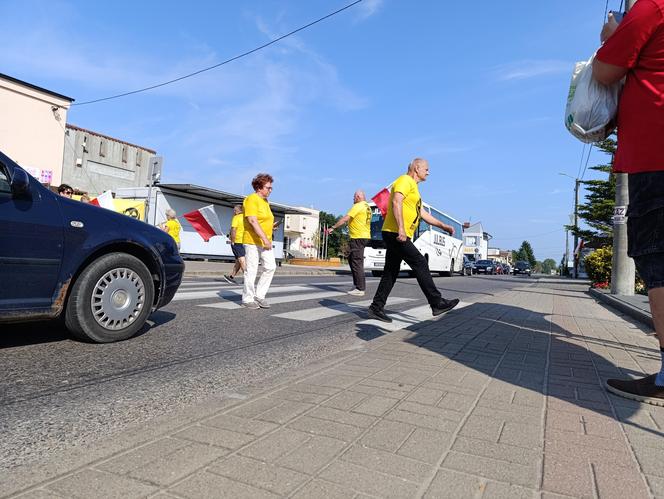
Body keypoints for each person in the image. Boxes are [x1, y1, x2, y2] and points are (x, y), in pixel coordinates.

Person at [593, 3, 664, 405]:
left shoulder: (652, 7)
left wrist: (610, 37)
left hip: (656, 156)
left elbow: (605, 70)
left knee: (658, 260)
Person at [368, 158, 459, 323]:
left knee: (391, 272)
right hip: (395, 232)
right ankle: (436, 302)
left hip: (394, 233)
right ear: (417, 168)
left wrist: (443, 226)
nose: (428, 172)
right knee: (420, 263)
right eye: (426, 169)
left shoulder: (415, 190)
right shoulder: (405, 180)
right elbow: (396, 202)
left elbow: (423, 214)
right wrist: (401, 228)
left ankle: (376, 307)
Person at [326, 190, 371, 296]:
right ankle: (357, 285)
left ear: (359, 197)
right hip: (362, 236)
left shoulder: (358, 206)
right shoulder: (367, 206)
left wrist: (333, 227)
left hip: (358, 237)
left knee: (356, 262)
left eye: (354, 197)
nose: (353, 199)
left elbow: (346, 218)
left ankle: (360, 288)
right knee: (351, 259)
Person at [242, 173, 276, 310]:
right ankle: (247, 298)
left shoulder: (265, 202)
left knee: (270, 267)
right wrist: (264, 238)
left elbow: (263, 220)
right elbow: (252, 220)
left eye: (271, 188)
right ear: (259, 187)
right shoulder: (252, 199)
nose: (270, 190)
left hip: (265, 241)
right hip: (252, 240)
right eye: (268, 187)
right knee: (252, 269)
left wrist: (271, 227)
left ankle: (259, 295)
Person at [223, 205, 246, 284]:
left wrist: (232, 241)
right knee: (238, 261)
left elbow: (234, 229)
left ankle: (247, 278)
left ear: (239, 211)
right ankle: (231, 277)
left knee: (241, 260)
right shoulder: (245, 217)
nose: (234, 212)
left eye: (235, 210)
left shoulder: (236, 218)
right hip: (244, 241)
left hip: (237, 241)